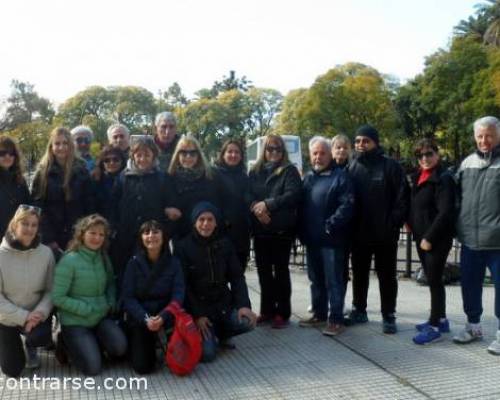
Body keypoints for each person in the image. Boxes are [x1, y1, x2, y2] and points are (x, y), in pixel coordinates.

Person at [346, 125, 409, 334]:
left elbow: (402, 197)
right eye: (357, 141)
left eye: (365, 141)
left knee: (387, 276)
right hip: (359, 234)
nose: (361, 145)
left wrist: (393, 224)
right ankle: (359, 310)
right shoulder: (352, 166)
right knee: (359, 274)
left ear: (375, 142)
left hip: (385, 234)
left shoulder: (391, 166)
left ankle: (388, 315)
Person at [176, 202, 256, 362]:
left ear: (216, 222)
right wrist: (197, 315)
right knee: (207, 356)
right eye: (201, 219)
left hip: (223, 305)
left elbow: (237, 277)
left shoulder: (225, 244)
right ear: (194, 222)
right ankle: (213, 334)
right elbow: (183, 285)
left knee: (248, 322)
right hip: (200, 309)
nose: (206, 224)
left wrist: (243, 305)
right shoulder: (183, 247)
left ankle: (221, 332)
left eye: (210, 219)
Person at [52, 214, 127, 376]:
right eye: (92, 233)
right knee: (92, 369)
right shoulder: (69, 260)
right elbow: (57, 297)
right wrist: (85, 308)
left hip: (99, 318)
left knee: (120, 348)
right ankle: (64, 342)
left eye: (101, 234)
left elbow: (111, 284)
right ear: (82, 233)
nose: (97, 238)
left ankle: (93, 343)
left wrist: (110, 301)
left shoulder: (103, 257)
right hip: (76, 321)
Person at [453, 116, 500, 354]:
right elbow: (457, 198)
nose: (484, 140)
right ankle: (473, 326)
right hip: (470, 240)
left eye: (489, 135)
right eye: (480, 136)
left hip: (497, 242)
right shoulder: (467, 163)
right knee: (469, 285)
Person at [299, 137, 354, 336]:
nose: (318, 157)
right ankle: (319, 313)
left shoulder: (341, 176)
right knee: (316, 280)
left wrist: (330, 225)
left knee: (334, 281)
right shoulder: (308, 178)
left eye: (322, 153)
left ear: (330, 154)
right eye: (315, 153)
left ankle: (336, 319)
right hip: (312, 240)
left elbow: (347, 205)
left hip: (332, 241)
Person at [249, 134, 302, 329]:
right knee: (263, 272)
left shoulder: (289, 171)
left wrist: (267, 205)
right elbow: (247, 194)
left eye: (277, 149)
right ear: (264, 150)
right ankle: (267, 309)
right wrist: (257, 208)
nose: (273, 152)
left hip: (280, 230)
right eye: (270, 149)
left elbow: (293, 195)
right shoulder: (255, 171)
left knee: (280, 272)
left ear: (283, 151)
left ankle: (282, 311)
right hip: (261, 229)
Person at [408, 139, 455, 345]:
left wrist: (429, 237)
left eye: (429, 154)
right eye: (420, 156)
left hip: (436, 239)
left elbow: (445, 212)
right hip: (421, 237)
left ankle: (434, 327)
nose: (425, 159)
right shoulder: (419, 176)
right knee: (433, 280)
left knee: (434, 281)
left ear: (437, 154)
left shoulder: (443, 178)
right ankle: (441, 319)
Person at [122, 220, 184, 374]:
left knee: (183, 362)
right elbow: (128, 297)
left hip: (167, 315)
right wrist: (145, 318)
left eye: (156, 232)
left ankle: (162, 341)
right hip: (142, 316)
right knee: (143, 367)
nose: (151, 236)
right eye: (146, 232)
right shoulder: (133, 263)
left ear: (164, 236)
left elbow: (178, 294)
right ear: (141, 238)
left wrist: (163, 316)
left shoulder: (174, 263)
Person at [0, 205, 54, 376]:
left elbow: (51, 290)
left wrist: (38, 314)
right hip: (8, 317)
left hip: (36, 316)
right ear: (14, 224)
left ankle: (30, 345)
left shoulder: (46, 253)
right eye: (25, 223)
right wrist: (23, 316)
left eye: (34, 225)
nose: (30, 229)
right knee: (12, 370)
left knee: (39, 337)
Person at [111, 136, 173, 286]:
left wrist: (165, 230)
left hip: (152, 236)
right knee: (125, 273)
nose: (143, 159)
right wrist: (115, 228)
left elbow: (169, 204)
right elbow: (113, 204)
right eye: (139, 155)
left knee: (150, 274)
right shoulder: (123, 177)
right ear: (133, 156)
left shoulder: (162, 178)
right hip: (126, 235)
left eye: (147, 155)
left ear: (153, 156)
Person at [32, 127, 95, 253]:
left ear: (71, 145)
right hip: (50, 239)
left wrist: (81, 235)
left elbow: (89, 205)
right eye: (57, 143)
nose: (61, 147)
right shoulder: (42, 172)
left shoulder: (82, 171)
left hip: (77, 236)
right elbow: (37, 206)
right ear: (51, 146)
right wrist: (48, 238)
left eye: (65, 143)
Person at [167, 135, 226, 240]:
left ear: (198, 154)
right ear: (177, 154)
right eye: (183, 152)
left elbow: (222, 204)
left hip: (208, 236)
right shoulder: (170, 178)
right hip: (182, 237)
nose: (188, 157)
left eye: (193, 153)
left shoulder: (212, 176)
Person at [213, 139, 251, 270]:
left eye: (237, 152)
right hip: (220, 234)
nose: (233, 155)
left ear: (241, 156)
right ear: (223, 154)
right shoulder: (214, 174)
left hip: (241, 235)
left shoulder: (245, 177)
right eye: (230, 151)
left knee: (239, 276)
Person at [0, 135, 30, 239]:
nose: (7, 156)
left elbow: (28, 208)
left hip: (18, 238)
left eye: (11, 153)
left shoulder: (20, 180)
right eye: (2, 153)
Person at [91, 146, 127, 222]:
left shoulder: (129, 180)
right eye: (107, 160)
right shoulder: (95, 181)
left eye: (116, 159)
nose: (111, 163)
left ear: (122, 161)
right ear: (102, 163)